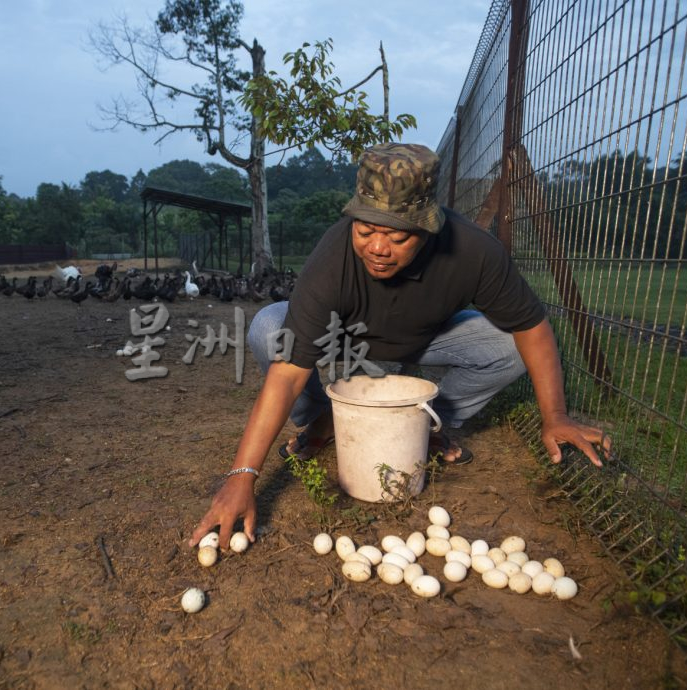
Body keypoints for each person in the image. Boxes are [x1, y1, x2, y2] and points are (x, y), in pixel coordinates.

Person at [188, 142, 610, 548]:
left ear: (429, 228)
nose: (377, 248)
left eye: (397, 237)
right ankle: (324, 419)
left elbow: (532, 326)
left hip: (423, 341)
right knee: (267, 325)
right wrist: (242, 476)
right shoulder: (332, 256)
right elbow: (287, 375)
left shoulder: (475, 252)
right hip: (345, 340)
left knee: (512, 346)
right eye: (366, 230)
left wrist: (555, 416)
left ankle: (426, 423)